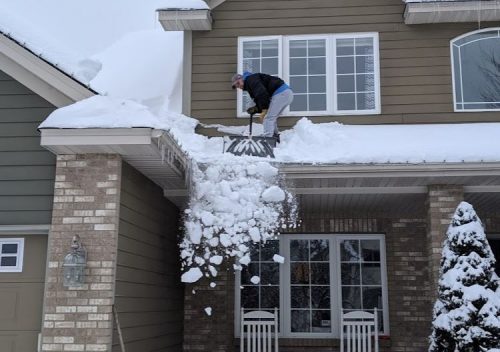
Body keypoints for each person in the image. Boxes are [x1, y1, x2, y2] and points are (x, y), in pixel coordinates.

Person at [232, 71, 293, 142]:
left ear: (242, 79)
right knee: (271, 117)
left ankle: (267, 140)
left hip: (281, 93)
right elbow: (260, 98)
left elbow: (262, 94)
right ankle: (274, 137)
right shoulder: (251, 83)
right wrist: (256, 109)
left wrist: (264, 109)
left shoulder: (251, 79)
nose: (238, 86)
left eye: (238, 83)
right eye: (236, 86)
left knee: (268, 118)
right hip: (286, 94)